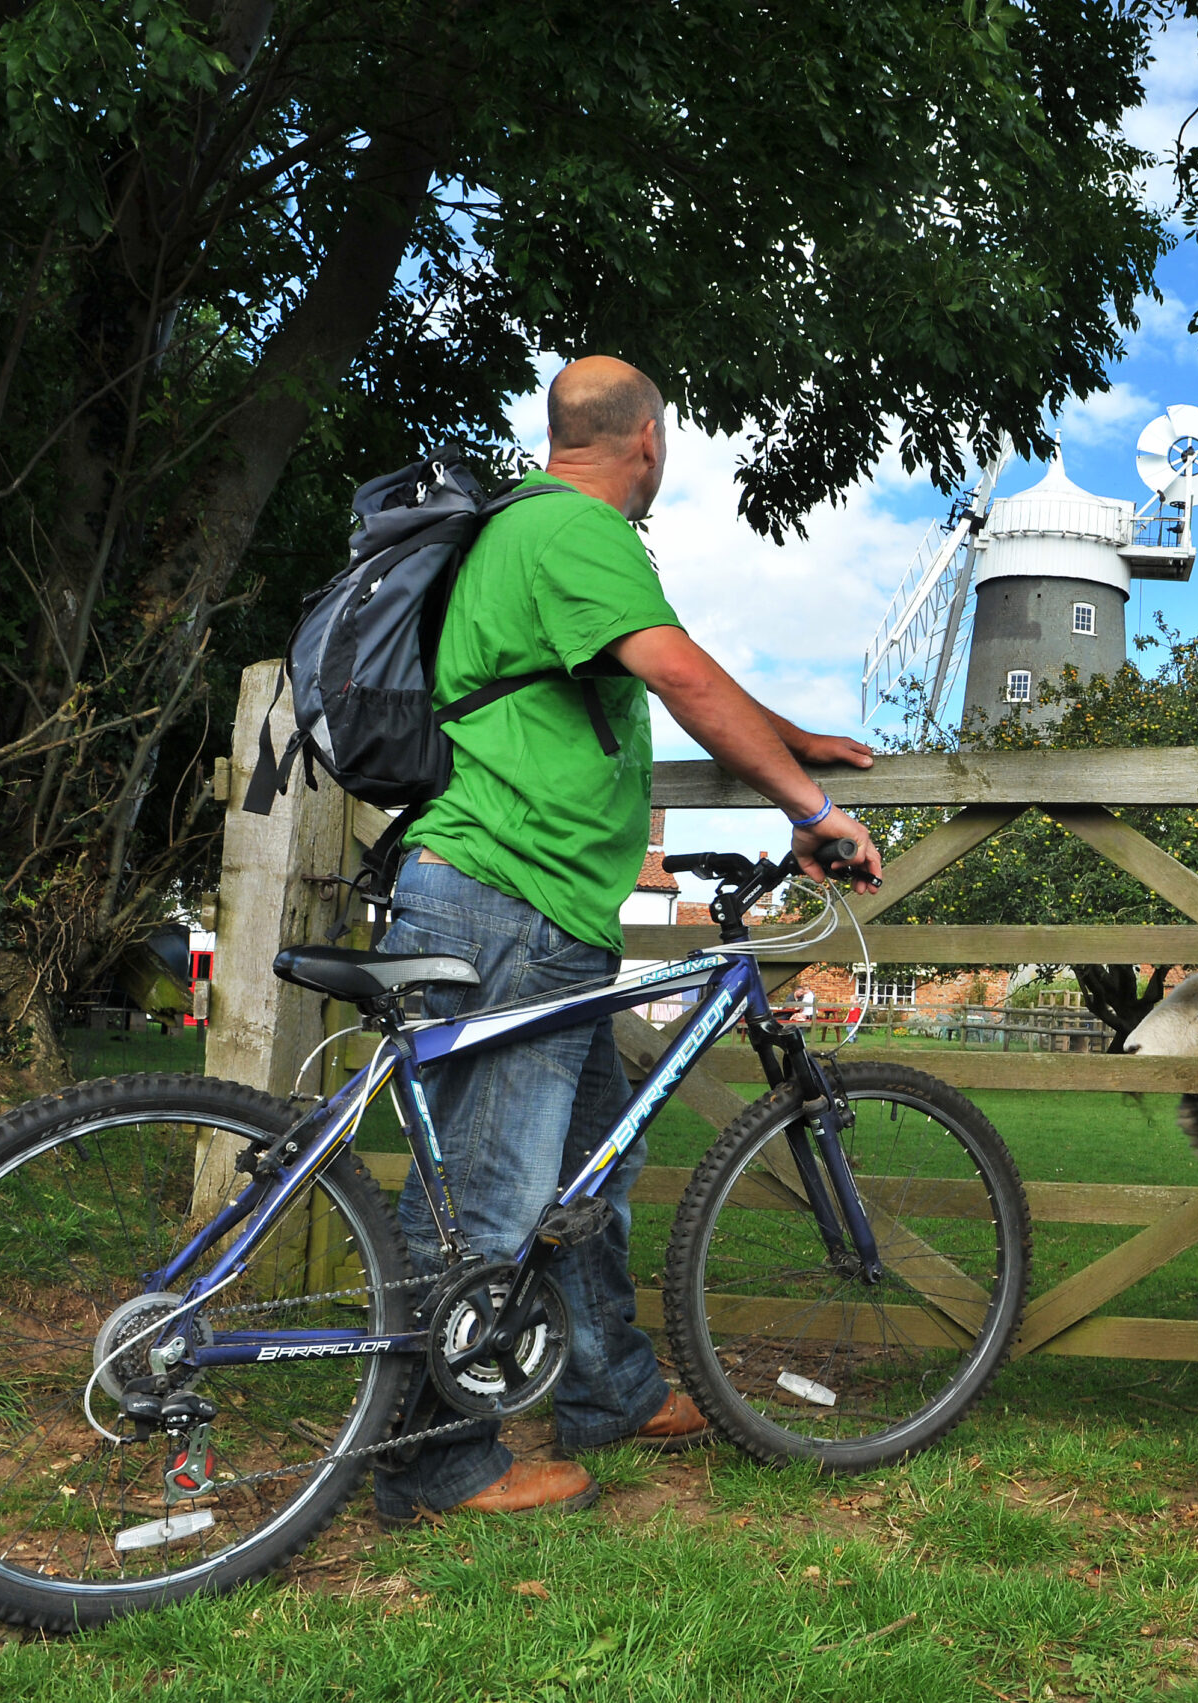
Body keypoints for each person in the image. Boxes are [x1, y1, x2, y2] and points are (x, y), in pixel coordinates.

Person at [371, 355, 884, 1524]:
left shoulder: (529, 533)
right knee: (495, 1196)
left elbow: (665, 680)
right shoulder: (572, 529)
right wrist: (810, 809)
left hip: (534, 904)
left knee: (589, 1167)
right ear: (646, 439)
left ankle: (608, 1388)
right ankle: (432, 1454)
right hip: (508, 895)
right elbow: (681, 673)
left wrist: (793, 736)